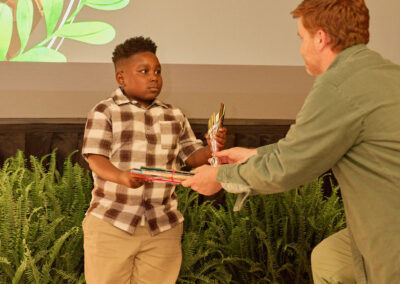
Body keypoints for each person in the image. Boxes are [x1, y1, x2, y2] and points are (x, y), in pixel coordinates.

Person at [182, 0, 400, 283]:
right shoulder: (382, 74)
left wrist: (221, 177)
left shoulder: (338, 86)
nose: (300, 49)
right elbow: (307, 146)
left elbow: (291, 165)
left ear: (320, 38)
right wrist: (253, 155)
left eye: (302, 38)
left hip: (390, 230)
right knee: (331, 259)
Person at [81, 36, 226, 284]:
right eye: (144, 71)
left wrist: (212, 148)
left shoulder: (174, 114)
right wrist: (121, 177)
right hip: (112, 222)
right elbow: (95, 158)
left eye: (158, 71)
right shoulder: (106, 111)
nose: (154, 77)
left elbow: (191, 156)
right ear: (121, 78)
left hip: (162, 225)